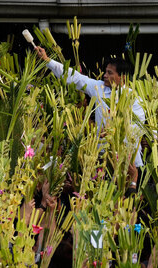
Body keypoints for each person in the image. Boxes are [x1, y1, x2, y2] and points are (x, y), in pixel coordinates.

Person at [34, 46, 146, 189]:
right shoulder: (98, 88)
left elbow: (139, 124)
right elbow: (75, 77)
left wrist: (115, 131)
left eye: (109, 73)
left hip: (128, 161)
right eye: (105, 72)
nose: (104, 75)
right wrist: (47, 60)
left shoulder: (133, 98)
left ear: (122, 77)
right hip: (103, 158)